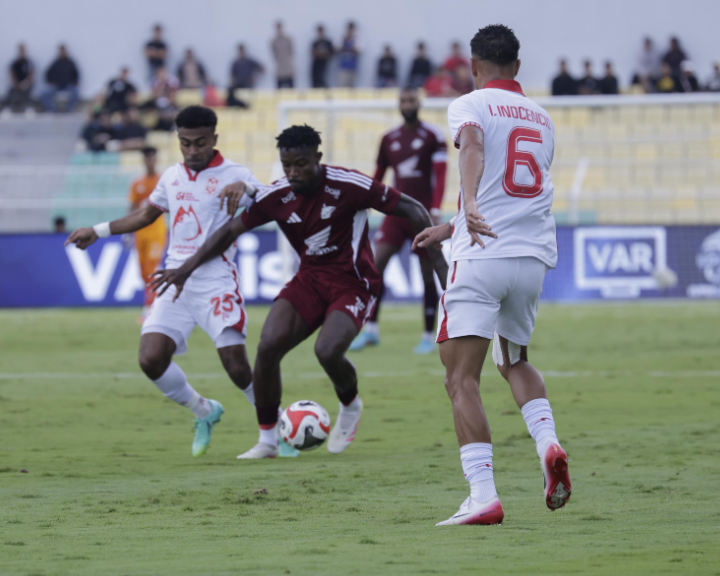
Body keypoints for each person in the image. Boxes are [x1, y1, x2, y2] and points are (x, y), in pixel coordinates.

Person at [151, 124, 446, 460]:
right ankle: (268, 440)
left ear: (317, 158)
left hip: (352, 283)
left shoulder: (349, 184)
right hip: (308, 280)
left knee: (327, 351)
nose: (293, 172)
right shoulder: (278, 196)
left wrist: (442, 272)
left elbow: (413, 208)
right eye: (287, 165)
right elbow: (229, 231)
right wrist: (185, 269)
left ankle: (350, 404)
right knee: (267, 347)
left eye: (301, 164)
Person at [411, 24, 570, 526]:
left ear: (474, 66)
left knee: (461, 378)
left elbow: (474, 148)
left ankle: (482, 495)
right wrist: (451, 223)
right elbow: (516, 188)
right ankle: (548, 443)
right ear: (517, 66)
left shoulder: (469, 104)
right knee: (514, 359)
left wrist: (470, 206)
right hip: (531, 259)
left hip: (480, 256)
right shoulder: (542, 118)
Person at [64, 106, 289, 458]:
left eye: (200, 142)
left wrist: (246, 187)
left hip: (215, 280)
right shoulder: (172, 176)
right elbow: (146, 214)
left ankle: (277, 433)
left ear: (214, 139)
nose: (192, 150)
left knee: (235, 364)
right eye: (185, 143)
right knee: (151, 358)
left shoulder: (235, 173)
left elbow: (273, 200)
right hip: (174, 279)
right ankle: (204, 411)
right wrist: (98, 230)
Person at [350, 88, 448, 355]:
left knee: (427, 274)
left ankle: (428, 335)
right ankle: (371, 330)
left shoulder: (433, 135)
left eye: (411, 100)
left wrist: (436, 208)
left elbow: (441, 174)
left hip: (422, 215)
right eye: (403, 101)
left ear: (419, 103)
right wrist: (366, 201)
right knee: (375, 266)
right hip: (395, 214)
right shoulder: (389, 138)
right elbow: (379, 174)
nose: (407, 105)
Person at [126, 147, 168, 321]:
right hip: (140, 231)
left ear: (156, 159)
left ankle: (150, 308)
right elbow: (132, 208)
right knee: (143, 270)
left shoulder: (163, 181)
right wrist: (127, 232)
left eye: (152, 157)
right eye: (147, 158)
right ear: (143, 160)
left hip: (156, 231)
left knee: (151, 267)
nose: (150, 161)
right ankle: (155, 304)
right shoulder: (137, 183)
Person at [41, 44, 79, 113]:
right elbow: (48, 73)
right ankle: (52, 110)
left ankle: (68, 110)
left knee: (76, 93)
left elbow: (76, 74)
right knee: (44, 94)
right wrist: (50, 81)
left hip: (68, 85)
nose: (62, 53)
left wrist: (75, 82)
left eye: (63, 51)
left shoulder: (70, 63)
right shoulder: (56, 63)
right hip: (57, 85)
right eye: (61, 51)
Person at [6, 43, 34, 113]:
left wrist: (25, 83)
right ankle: (7, 108)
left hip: (26, 84)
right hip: (17, 84)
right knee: (10, 92)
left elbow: (31, 74)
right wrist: (16, 84)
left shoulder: (28, 62)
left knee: (28, 91)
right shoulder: (15, 63)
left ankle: (28, 108)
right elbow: (12, 74)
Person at [337, 21, 361, 88]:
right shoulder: (342, 38)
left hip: (353, 65)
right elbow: (338, 49)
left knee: (351, 86)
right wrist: (345, 41)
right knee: (342, 85)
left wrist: (350, 47)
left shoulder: (357, 39)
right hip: (343, 66)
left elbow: (359, 50)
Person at [271, 21, 295, 89]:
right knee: (279, 90)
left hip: (288, 68)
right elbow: (274, 53)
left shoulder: (288, 39)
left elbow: (291, 52)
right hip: (279, 69)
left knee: (291, 89)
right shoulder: (274, 41)